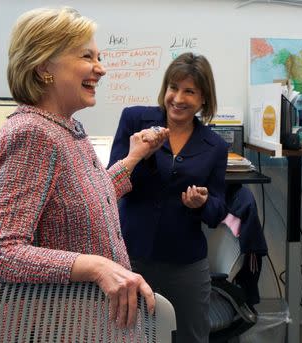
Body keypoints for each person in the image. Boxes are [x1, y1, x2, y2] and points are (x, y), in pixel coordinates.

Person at [0, 7, 169, 331]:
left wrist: (134, 158)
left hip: (85, 322)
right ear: (43, 67)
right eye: (87, 56)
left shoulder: (66, 129)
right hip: (55, 327)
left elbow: (87, 196)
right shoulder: (31, 135)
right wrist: (95, 266)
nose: (101, 69)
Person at [108, 52, 229, 343]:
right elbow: (110, 186)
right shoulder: (136, 120)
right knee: (125, 335)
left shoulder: (214, 146)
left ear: (203, 99)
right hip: (130, 255)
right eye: (173, 88)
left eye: (190, 91)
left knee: (190, 336)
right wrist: (141, 156)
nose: (178, 98)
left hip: (184, 262)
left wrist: (202, 203)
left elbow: (218, 211)